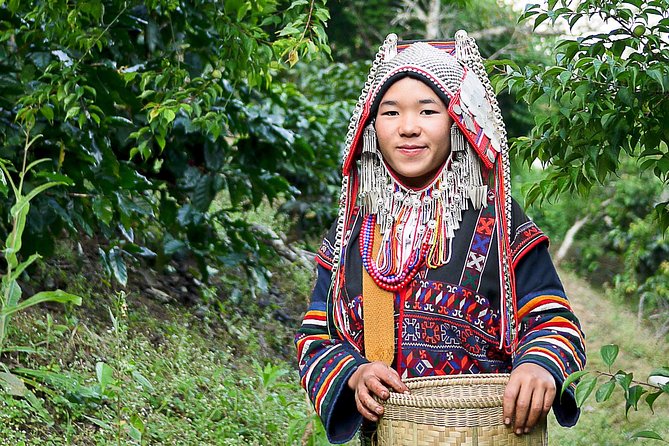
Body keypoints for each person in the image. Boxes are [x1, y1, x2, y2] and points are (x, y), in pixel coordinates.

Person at [295, 31, 586, 444]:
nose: (408, 128)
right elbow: (315, 336)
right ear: (371, 125)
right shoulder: (355, 228)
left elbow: (555, 322)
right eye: (390, 112)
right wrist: (354, 374)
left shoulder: (499, 219)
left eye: (428, 111)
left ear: (457, 121)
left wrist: (539, 366)